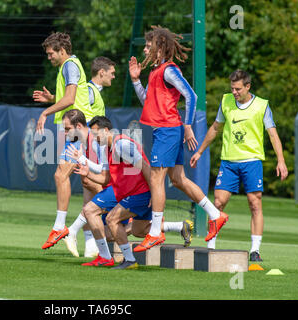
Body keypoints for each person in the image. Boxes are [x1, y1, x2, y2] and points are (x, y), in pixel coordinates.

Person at [128, 26, 228, 252]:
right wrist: (136, 81)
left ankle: (154, 233)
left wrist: (188, 125)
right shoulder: (155, 71)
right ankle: (215, 214)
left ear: (160, 47)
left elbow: (191, 96)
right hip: (165, 130)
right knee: (178, 179)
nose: (144, 49)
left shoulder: (168, 70)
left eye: (148, 45)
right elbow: (148, 102)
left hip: (168, 130)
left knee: (156, 178)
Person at [68, 116, 194, 269]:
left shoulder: (122, 145)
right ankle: (180, 226)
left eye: (96, 134)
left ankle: (128, 260)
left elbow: (146, 167)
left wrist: (154, 195)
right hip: (129, 192)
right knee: (138, 230)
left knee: (111, 219)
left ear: (106, 130)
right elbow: (105, 178)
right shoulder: (108, 148)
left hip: (140, 193)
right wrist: (87, 172)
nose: (94, 138)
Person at [190, 69, 288, 261]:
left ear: (248, 87)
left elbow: (273, 134)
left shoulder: (262, 105)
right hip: (229, 162)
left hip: (252, 162)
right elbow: (215, 128)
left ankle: (255, 250)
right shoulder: (226, 101)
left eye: (238, 89)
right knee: (218, 203)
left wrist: (281, 160)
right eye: (232, 88)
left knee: (254, 203)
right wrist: (200, 151)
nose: (234, 92)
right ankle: (211, 247)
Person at [32, 32, 97, 250]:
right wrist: (52, 99)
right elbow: (71, 98)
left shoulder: (70, 65)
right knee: (89, 183)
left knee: (63, 175)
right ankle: (94, 240)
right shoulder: (66, 67)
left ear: (62, 51)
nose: (48, 57)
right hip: (76, 130)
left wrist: (45, 112)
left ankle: (61, 227)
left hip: (80, 129)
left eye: (51, 53)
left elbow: (70, 99)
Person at [63, 56, 117, 257]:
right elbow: (75, 108)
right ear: (101, 72)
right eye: (111, 72)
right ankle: (77, 234)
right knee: (98, 191)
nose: (113, 76)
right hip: (92, 143)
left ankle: (89, 246)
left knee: (90, 195)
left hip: (91, 143)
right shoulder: (90, 91)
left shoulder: (95, 91)